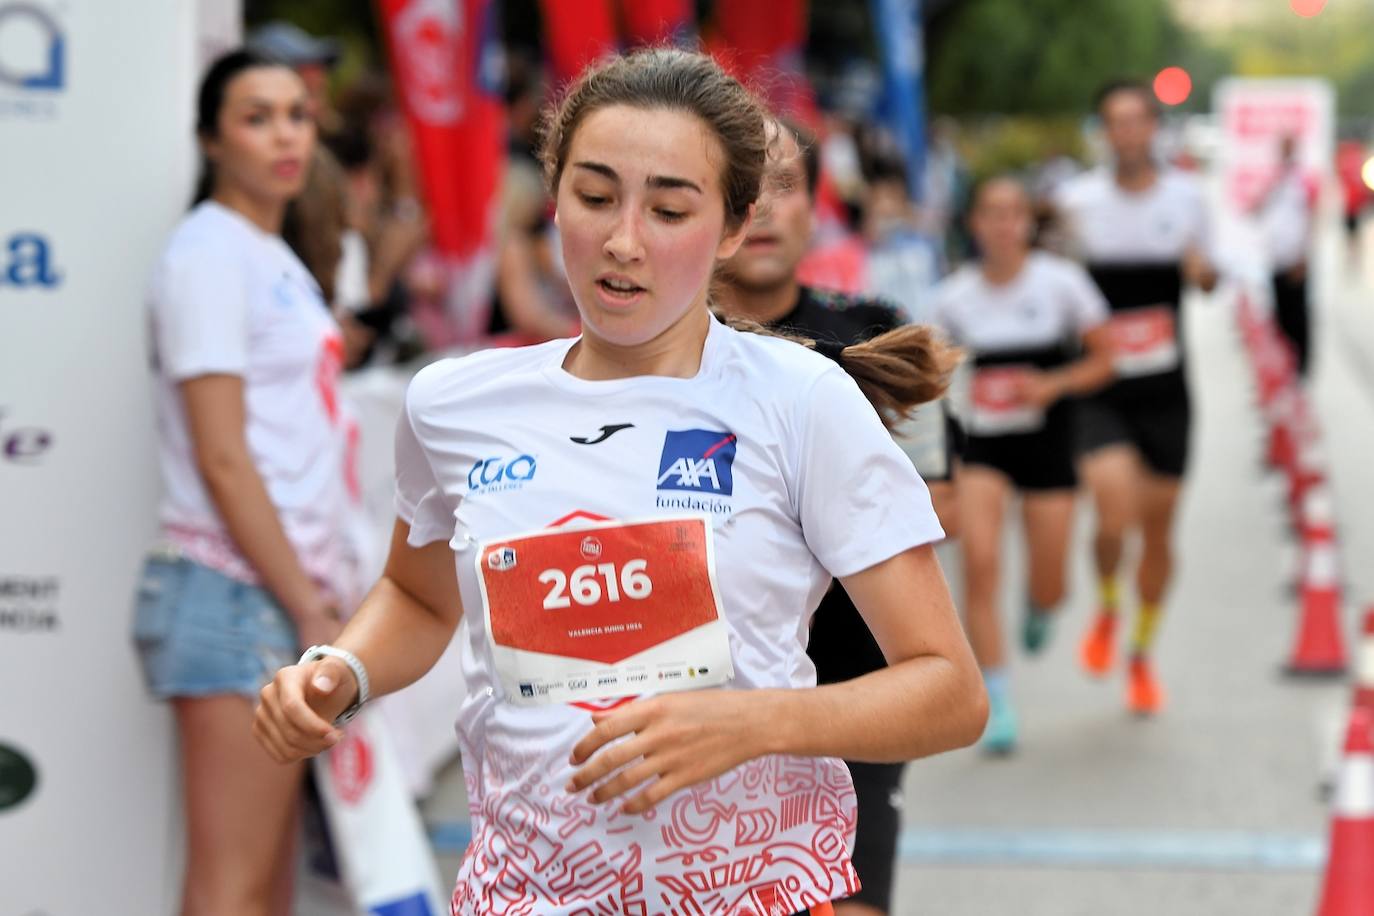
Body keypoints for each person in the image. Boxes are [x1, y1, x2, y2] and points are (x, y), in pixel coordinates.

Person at [254, 48, 986, 915]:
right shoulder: (454, 403)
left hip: (744, 893)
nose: (623, 240)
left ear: (734, 228)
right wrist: (343, 669)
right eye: (595, 198)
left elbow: (949, 689)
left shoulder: (802, 400)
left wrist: (754, 724)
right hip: (525, 893)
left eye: (669, 208)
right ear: (552, 197)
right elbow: (416, 603)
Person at [714, 118, 954, 916]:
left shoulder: (872, 332)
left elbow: (935, 502)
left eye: (787, 185)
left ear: (818, 210)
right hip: (693, 713)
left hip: (850, 692)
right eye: (749, 186)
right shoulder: (642, 357)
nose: (767, 209)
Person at [131, 49, 351, 915]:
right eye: (256, 117)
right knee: (231, 887)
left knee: (265, 887)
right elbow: (222, 454)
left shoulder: (270, 256)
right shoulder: (209, 253)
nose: (285, 135)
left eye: (297, 113)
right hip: (233, 591)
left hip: (267, 592)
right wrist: (305, 605)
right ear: (210, 140)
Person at [932, 177, 1115, 753]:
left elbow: (1107, 359)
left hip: (1048, 441)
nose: (1004, 225)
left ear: (1028, 225)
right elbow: (929, 380)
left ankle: (1042, 606)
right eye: (992, 213)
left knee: (1051, 580)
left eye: (1015, 214)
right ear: (975, 224)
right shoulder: (952, 297)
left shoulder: (1063, 284)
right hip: (983, 444)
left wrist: (1052, 383)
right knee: (980, 563)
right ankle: (997, 694)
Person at [1054, 80, 1218, 715]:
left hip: (1166, 389)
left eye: (1137, 121)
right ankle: (1107, 608)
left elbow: (1210, 272)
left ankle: (1142, 653)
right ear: (1104, 131)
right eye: (1114, 121)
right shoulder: (1077, 202)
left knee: (1157, 530)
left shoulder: (1187, 196)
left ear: (1154, 129)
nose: (1127, 133)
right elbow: (1060, 278)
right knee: (1112, 511)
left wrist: (1203, 272)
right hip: (1102, 383)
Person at [1257, 134, 1316, 377]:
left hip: (1295, 258)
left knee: (1298, 316)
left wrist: (1304, 254)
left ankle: (1301, 367)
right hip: (1276, 257)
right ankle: (1285, 364)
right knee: (1279, 314)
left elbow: (1313, 216)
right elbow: (1257, 208)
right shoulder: (1275, 178)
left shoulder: (1304, 178)